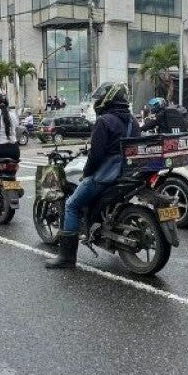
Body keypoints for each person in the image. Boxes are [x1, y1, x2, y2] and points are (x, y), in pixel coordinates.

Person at [45, 81, 140, 269]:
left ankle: (66, 258)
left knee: (72, 205)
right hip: (129, 173)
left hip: (108, 175)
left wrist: (87, 173)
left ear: (108, 99)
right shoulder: (133, 121)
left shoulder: (104, 121)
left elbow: (96, 155)